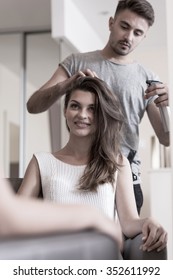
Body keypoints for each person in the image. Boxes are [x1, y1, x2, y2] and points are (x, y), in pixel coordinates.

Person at [26, 0, 170, 215]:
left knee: (121, 246)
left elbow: (166, 139)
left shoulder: (148, 79)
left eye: (138, 32)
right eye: (124, 26)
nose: (129, 37)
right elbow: (33, 105)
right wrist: (66, 85)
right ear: (111, 22)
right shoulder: (76, 62)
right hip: (77, 174)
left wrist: (169, 108)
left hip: (125, 180)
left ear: (144, 36)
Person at [19, 76, 167, 257]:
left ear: (102, 115)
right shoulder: (41, 162)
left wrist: (148, 221)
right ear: (65, 110)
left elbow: (129, 223)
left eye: (92, 109)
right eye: (75, 106)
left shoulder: (118, 163)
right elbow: (16, 217)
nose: (82, 115)